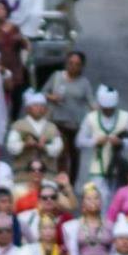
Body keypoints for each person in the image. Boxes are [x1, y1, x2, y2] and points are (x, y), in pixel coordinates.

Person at [75, 85, 128, 197]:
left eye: (111, 108)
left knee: (120, 199)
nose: (108, 111)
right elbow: (79, 141)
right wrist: (94, 141)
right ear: (100, 105)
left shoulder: (126, 117)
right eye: (105, 108)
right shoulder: (90, 118)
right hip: (98, 166)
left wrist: (123, 142)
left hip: (121, 166)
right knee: (101, 198)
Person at [43, 50, 92, 183]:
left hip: (76, 124)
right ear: (66, 63)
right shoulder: (57, 76)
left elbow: (91, 101)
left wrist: (97, 111)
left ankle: (71, 184)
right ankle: (61, 182)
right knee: (62, 153)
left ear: (82, 66)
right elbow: (43, 92)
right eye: (71, 63)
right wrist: (51, 97)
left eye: (77, 64)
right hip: (58, 121)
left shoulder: (84, 83)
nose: (73, 66)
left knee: (74, 156)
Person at [62, 183, 113, 255]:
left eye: (96, 198)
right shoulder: (73, 226)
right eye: (89, 198)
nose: (93, 201)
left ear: (101, 202)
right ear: (83, 203)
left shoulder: (110, 226)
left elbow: (114, 251)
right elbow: (68, 253)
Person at [6, 88, 63, 171]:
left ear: (46, 109)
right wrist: (25, 144)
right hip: (23, 174)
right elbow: (11, 147)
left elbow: (58, 148)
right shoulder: (18, 125)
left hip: (47, 174)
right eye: (36, 105)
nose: (39, 108)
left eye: (42, 106)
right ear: (28, 109)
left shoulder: (52, 127)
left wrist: (45, 147)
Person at [0, 0, 29, 111]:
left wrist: (22, 40)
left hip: (16, 69)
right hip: (0, 69)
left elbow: (26, 47)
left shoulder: (15, 28)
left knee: (16, 102)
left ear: (7, 11)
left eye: (2, 9)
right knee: (0, 103)